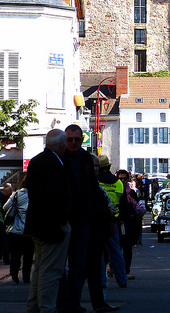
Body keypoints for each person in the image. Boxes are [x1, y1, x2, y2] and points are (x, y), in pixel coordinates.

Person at [24, 129, 72, 313]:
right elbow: (56, 196)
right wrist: (62, 220)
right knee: (51, 272)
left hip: (38, 223)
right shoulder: (55, 164)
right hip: (52, 225)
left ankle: (34, 306)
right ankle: (46, 307)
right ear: (61, 145)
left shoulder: (37, 161)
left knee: (40, 268)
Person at [59, 124, 101, 313]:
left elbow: (92, 187)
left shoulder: (85, 158)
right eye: (70, 140)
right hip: (63, 219)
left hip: (81, 219)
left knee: (78, 265)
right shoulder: (59, 157)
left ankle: (73, 303)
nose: (74, 143)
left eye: (77, 139)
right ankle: (64, 302)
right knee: (59, 265)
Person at [86, 155, 120, 313]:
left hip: (99, 230)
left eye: (97, 166)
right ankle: (99, 300)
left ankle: (99, 301)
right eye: (92, 165)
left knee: (95, 268)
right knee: (96, 267)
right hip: (94, 230)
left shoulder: (94, 182)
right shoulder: (88, 183)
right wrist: (108, 211)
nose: (95, 168)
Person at [96, 155, 128, 288]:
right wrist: (121, 219)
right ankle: (122, 280)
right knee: (115, 251)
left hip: (97, 221)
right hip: (113, 221)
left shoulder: (95, 181)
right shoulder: (118, 183)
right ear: (109, 167)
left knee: (98, 253)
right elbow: (123, 204)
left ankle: (101, 281)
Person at [3, 176, 33, 284]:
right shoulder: (36, 195)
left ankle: (14, 273)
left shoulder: (16, 194)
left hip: (16, 230)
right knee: (28, 256)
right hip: (30, 230)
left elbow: (6, 207)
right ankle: (26, 277)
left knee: (16, 254)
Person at [116, 170, 141, 280]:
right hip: (116, 222)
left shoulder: (131, 192)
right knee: (115, 247)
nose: (122, 181)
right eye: (120, 179)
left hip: (128, 223)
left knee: (127, 247)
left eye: (125, 178)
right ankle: (112, 267)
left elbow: (136, 206)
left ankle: (126, 271)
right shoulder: (116, 190)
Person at [0, 183, 13, 265]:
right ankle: (6, 258)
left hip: (2, 220)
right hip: (1, 221)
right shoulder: (2, 196)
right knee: (4, 240)